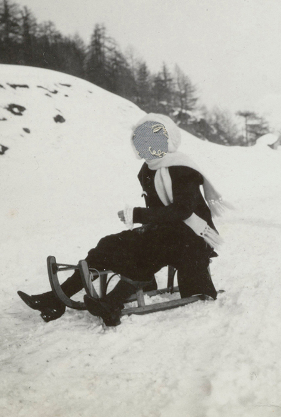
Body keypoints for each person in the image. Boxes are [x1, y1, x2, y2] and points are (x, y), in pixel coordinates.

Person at [18, 113, 228, 326]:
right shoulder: (148, 169)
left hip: (192, 238)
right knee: (109, 244)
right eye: (143, 140)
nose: (147, 145)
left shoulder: (182, 168)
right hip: (167, 232)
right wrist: (145, 226)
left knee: (150, 248)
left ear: (167, 141)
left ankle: (113, 303)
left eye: (153, 140)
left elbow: (182, 210)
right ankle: (58, 298)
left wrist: (138, 215)